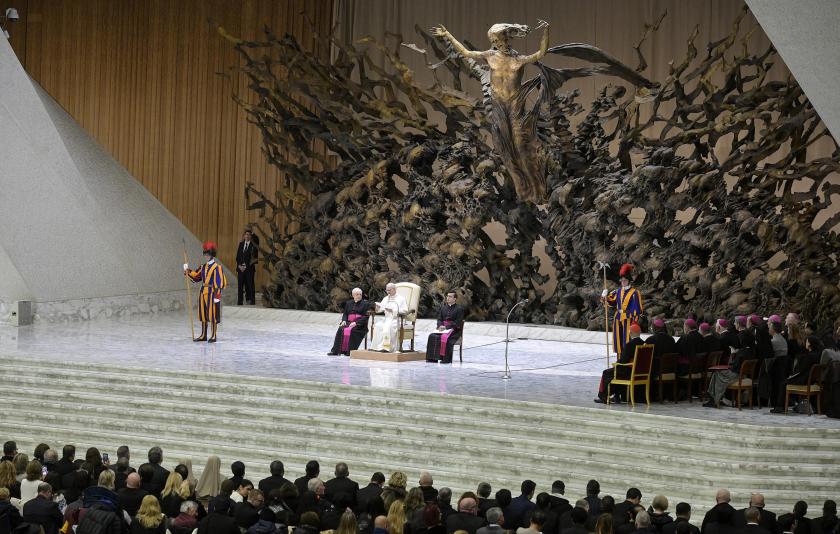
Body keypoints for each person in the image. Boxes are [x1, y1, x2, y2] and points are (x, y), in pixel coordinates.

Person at [184, 241, 228, 342]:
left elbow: (219, 283)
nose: (206, 256)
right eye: (205, 254)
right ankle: (203, 335)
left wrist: (217, 297)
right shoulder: (203, 267)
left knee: (212, 314)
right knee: (203, 314)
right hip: (203, 292)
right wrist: (187, 271)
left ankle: (213, 335)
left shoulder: (218, 268)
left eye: (208, 254)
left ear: (212, 254)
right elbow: (196, 276)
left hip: (212, 293)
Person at [602, 263, 644, 358]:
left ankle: (628, 359)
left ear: (629, 281)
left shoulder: (634, 293)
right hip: (618, 319)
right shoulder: (618, 291)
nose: (623, 282)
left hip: (628, 319)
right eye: (622, 280)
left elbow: (638, 309)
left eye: (625, 280)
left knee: (627, 340)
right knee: (618, 340)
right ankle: (619, 359)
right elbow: (610, 302)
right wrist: (604, 296)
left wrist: (633, 320)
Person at [596, 324, 645, 403]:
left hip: (629, 371)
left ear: (630, 333)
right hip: (640, 371)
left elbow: (623, 361)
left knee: (607, 373)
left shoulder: (630, 345)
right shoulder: (644, 344)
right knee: (615, 374)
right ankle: (616, 396)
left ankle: (603, 396)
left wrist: (616, 364)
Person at [328, 289, 371, 356]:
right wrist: (344, 320)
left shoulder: (366, 304)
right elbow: (345, 314)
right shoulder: (349, 303)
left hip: (359, 325)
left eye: (360, 294)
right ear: (353, 295)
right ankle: (335, 351)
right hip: (348, 323)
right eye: (357, 294)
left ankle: (350, 352)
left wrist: (356, 323)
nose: (359, 296)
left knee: (353, 331)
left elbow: (366, 317)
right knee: (341, 329)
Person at [426, 291, 465, 363]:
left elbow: (458, 322)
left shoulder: (459, 309)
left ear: (455, 299)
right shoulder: (443, 308)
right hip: (442, 329)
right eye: (447, 296)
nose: (448, 298)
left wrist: (447, 327)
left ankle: (445, 359)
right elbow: (439, 319)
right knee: (432, 336)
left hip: (454, 330)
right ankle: (432, 358)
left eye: (450, 296)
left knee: (447, 338)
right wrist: (440, 326)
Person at [370, 283, 409, 352]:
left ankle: (386, 347)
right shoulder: (386, 298)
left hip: (397, 320)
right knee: (378, 326)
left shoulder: (401, 299)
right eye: (386, 290)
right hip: (387, 319)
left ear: (394, 289)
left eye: (389, 290)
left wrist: (393, 310)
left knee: (388, 327)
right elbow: (381, 309)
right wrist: (377, 307)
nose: (387, 292)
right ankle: (376, 347)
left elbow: (405, 310)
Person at [235, 229, 258, 306]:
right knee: (240, 285)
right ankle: (240, 302)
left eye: (249, 234)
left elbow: (254, 259)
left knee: (250, 285)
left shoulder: (253, 245)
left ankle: (252, 301)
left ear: (251, 236)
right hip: (240, 269)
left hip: (249, 269)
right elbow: (237, 257)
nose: (247, 236)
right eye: (246, 234)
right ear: (244, 236)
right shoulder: (241, 244)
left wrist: (246, 266)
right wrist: (239, 265)